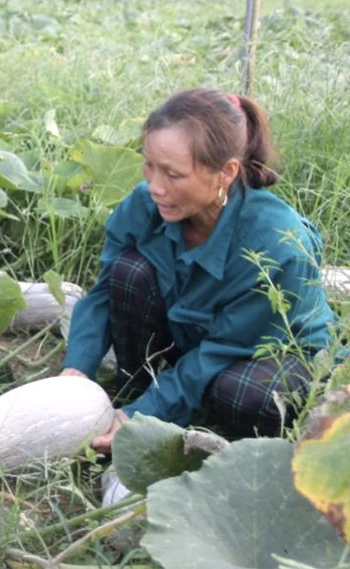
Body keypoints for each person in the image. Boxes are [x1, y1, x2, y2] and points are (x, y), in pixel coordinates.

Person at [61, 88, 335, 451]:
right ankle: (142, 387)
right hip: (191, 335)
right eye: (149, 165)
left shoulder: (277, 245)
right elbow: (102, 295)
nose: (155, 187)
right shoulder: (144, 205)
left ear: (225, 173)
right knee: (129, 273)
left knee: (241, 395)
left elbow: (221, 350)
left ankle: (171, 407)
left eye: (173, 174)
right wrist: (76, 371)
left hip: (261, 352)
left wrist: (141, 418)